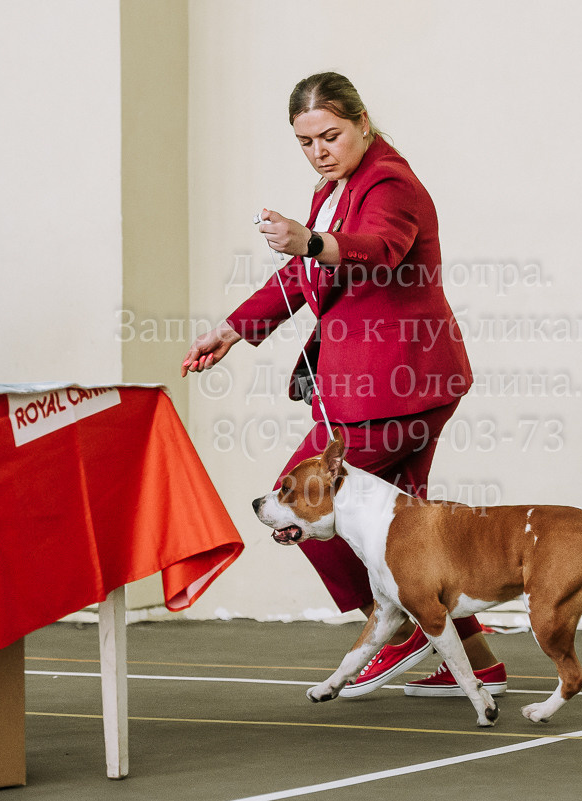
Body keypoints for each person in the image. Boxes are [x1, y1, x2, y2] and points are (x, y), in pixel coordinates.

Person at [183, 72, 506, 697]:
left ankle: (404, 632)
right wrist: (230, 330)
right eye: (305, 142)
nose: (319, 152)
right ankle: (478, 662)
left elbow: (380, 249)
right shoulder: (334, 190)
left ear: (363, 122)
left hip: (395, 387)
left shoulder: (392, 182)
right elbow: (305, 278)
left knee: (306, 503)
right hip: (409, 386)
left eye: (330, 136)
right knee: (409, 530)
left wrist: (310, 240)